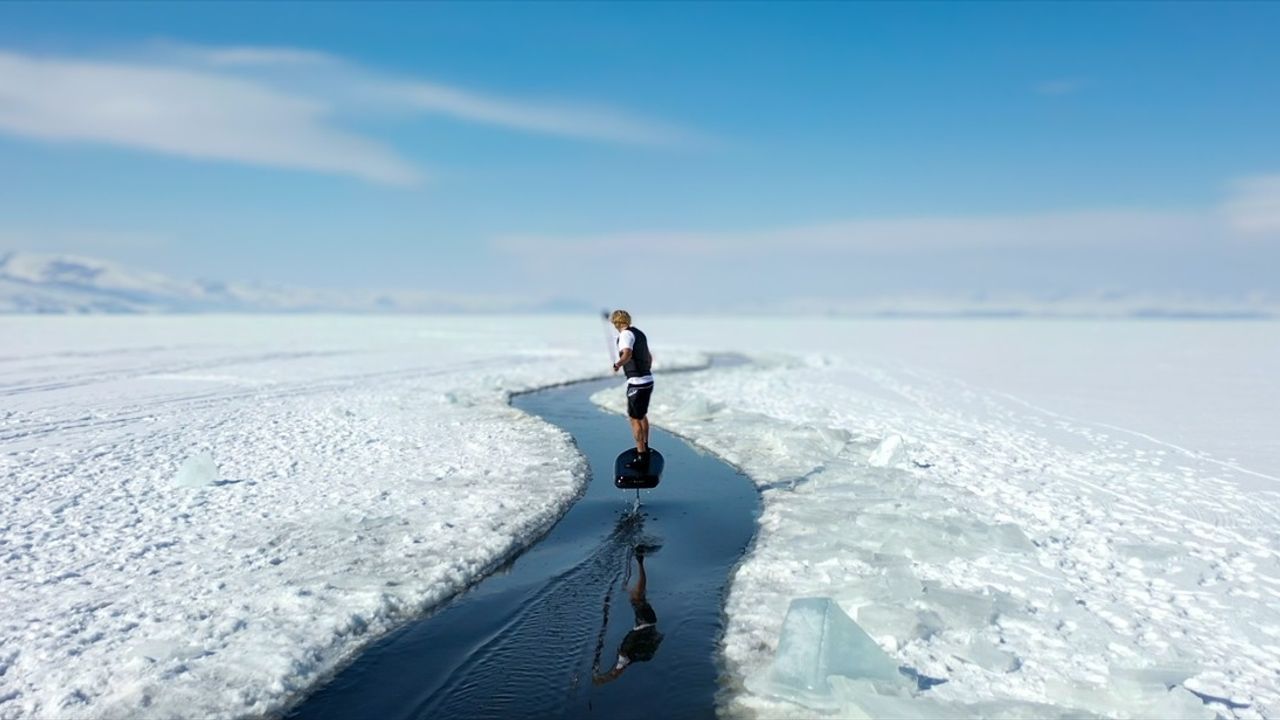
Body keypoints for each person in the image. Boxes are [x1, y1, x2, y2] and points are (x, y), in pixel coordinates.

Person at [592, 546, 663, 685]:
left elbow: (615, 674)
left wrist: (603, 678)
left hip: (646, 622)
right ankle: (640, 560)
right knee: (637, 597)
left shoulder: (628, 657)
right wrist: (601, 679)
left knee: (635, 596)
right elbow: (615, 674)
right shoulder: (624, 658)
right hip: (645, 621)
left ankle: (637, 564)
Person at [610, 310, 653, 469]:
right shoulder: (639, 334)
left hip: (637, 383)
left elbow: (627, 354)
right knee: (641, 415)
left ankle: (641, 457)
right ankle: (645, 447)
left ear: (616, 323)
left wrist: (617, 364)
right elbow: (649, 357)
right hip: (647, 380)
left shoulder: (625, 335)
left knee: (634, 419)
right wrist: (644, 370)